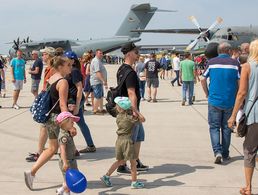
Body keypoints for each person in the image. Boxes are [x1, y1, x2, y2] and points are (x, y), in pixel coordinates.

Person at [24, 56, 74, 190]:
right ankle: (66, 185)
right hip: (59, 119)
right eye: (68, 65)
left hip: (49, 119)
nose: (70, 67)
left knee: (52, 148)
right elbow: (63, 105)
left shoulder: (51, 78)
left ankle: (32, 172)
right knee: (66, 151)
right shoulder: (63, 81)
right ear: (60, 67)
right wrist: (70, 124)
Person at [201, 42, 240, 164]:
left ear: (218, 51)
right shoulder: (235, 63)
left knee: (214, 127)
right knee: (227, 128)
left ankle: (217, 151)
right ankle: (225, 153)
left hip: (214, 100)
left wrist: (207, 93)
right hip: (229, 101)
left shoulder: (211, 62)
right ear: (229, 51)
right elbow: (239, 83)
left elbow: (202, 79)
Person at [228, 39, 258, 195]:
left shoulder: (246, 67)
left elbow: (241, 93)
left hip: (254, 115)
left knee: (249, 150)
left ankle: (248, 187)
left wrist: (233, 115)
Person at [116, 42, 149, 174]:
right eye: (136, 53)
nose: (138, 55)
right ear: (129, 54)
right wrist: (136, 113)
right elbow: (131, 93)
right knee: (130, 139)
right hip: (130, 112)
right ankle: (122, 165)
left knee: (139, 136)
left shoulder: (121, 69)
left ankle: (135, 161)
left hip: (127, 110)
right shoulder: (129, 72)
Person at [100, 97, 145, 189]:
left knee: (120, 161)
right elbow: (143, 119)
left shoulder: (119, 116)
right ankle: (134, 182)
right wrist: (135, 110)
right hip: (127, 141)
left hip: (119, 140)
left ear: (118, 108)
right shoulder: (130, 118)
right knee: (133, 162)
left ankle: (107, 175)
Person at [26, 47, 56, 162]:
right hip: (47, 99)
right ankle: (72, 150)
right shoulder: (48, 68)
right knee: (49, 127)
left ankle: (40, 152)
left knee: (45, 126)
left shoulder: (53, 69)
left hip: (50, 102)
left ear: (49, 55)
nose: (42, 56)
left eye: (44, 54)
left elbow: (51, 87)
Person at [64, 51, 96, 153]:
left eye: (67, 58)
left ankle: (71, 149)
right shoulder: (70, 70)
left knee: (68, 124)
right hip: (73, 101)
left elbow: (79, 88)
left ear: (72, 60)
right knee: (81, 123)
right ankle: (90, 145)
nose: (65, 59)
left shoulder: (74, 71)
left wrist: (77, 105)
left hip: (75, 101)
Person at [55, 111, 80, 195]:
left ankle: (61, 190)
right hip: (67, 161)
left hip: (71, 160)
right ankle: (65, 192)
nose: (73, 123)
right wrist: (65, 163)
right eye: (71, 121)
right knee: (69, 180)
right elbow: (62, 150)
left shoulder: (67, 132)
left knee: (70, 179)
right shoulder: (63, 136)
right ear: (64, 123)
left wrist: (72, 134)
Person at [90, 49, 108, 114]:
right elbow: (97, 72)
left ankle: (101, 109)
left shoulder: (98, 61)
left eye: (102, 53)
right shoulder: (96, 61)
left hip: (99, 81)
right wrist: (103, 81)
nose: (101, 54)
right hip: (96, 81)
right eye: (100, 53)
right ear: (96, 53)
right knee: (97, 96)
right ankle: (95, 110)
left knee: (100, 96)